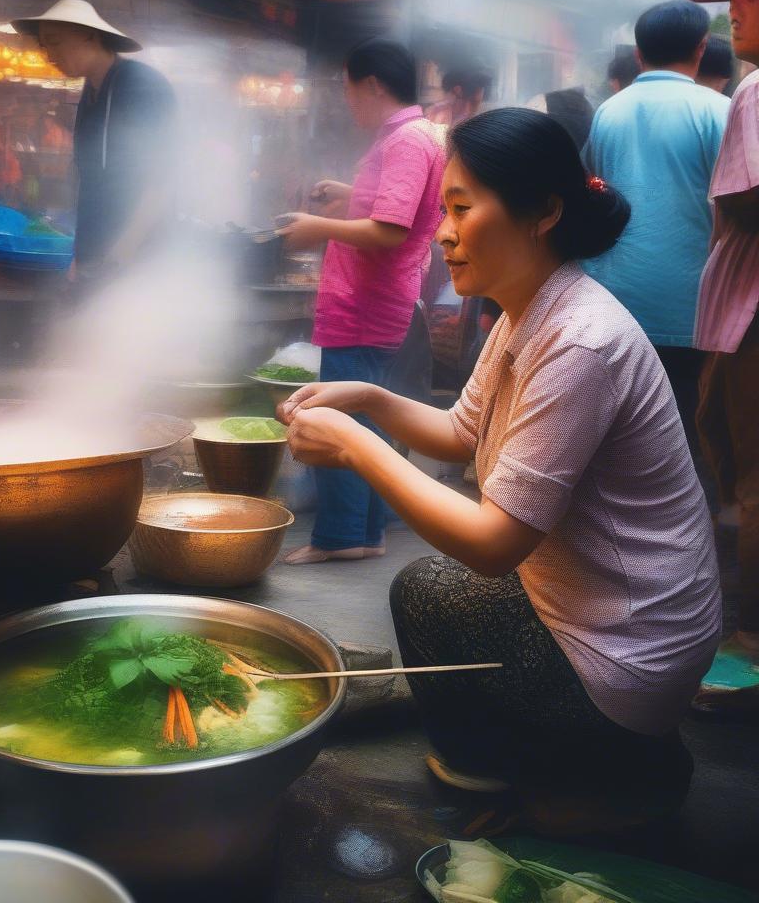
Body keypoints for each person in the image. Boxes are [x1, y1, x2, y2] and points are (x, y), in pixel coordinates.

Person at [279, 108, 720, 820]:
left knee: (437, 588)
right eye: (442, 209)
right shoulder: (529, 308)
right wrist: (368, 398)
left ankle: (587, 772)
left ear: (543, 211)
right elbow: (460, 431)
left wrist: (354, 444)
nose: (444, 232)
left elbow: (494, 544)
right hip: (617, 620)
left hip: (633, 655)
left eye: (461, 208)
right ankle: (591, 760)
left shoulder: (579, 341)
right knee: (426, 587)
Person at [276, 38, 447, 564]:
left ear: (372, 85)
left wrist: (314, 227)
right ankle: (364, 533)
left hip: (365, 305)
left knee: (341, 419)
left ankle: (341, 536)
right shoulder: (410, 135)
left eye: (349, 90)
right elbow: (400, 206)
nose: (348, 102)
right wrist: (349, 193)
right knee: (367, 421)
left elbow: (392, 229)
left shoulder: (407, 140)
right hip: (374, 302)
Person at [582, 0, 729, 476]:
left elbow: (596, 190)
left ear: (639, 53)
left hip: (612, 297)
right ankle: (686, 533)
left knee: (623, 428)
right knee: (686, 429)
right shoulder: (718, 110)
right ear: (701, 49)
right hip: (691, 304)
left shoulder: (608, 112)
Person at [686, 0, 759, 705]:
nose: (733, 21)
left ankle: (751, 640)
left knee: (750, 480)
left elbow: (747, 196)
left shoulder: (755, 91)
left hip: (752, 318)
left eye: (748, 5)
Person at [12, 0, 176, 271]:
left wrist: (125, 249)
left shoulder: (141, 85)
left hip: (137, 252)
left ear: (89, 35)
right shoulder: (91, 90)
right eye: (43, 45)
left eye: (54, 41)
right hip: (98, 247)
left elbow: (164, 177)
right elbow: (89, 178)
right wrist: (81, 253)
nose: (48, 54)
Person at [425, 66, 492, 127]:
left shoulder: (477, 119)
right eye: (478, 92)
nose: (479, 98)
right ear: (458, 90)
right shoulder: (436, 114)